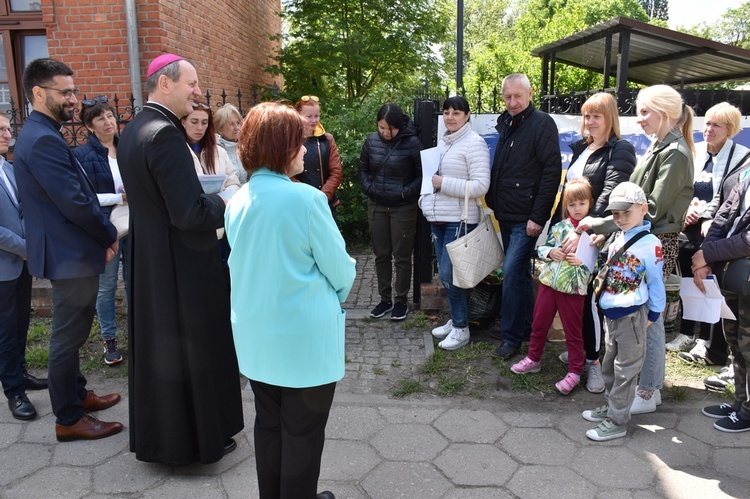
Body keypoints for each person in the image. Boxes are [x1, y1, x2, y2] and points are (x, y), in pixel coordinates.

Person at [225, 102, 356, 499]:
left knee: (269, 425)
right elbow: (342, 271)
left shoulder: (237, 201)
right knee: (302, 432)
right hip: (303, 341)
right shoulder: (308, 200)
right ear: (281, 148)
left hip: (255, 335)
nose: (304, 150)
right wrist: (328, 300)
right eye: (298, 143)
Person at [117, 54, 243, 465]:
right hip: (181, 265)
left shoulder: (135, 128)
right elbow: (189, 213)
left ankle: (166, 440)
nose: (197, 91)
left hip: (152, 259)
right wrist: (227, 198)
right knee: (192, 350)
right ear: (165, 84)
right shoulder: (166, 135)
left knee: (162, 352)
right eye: (191, 83)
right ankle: (196, 441)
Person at [13, 58, 122, 441]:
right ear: (39, 93)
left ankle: (78, 395)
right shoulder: (42, 137)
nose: (75, 100)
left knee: (71, 335)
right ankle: (69, 418)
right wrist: (108, 234)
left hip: (68, 251)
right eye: (66, 92)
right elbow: (74, 201)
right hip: (69, 254)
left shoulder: (43, 131)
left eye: (74, 91)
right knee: (66, 339)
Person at [577, 84, 694, 415]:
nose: (639, 118)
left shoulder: (675, 153)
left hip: (656, 241)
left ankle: (648, 390)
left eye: (645, 111)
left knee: (649, 320)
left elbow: (650, 208)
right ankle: (647, 387)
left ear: (665, 113)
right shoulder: (660, 146)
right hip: (640, 238)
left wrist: (602, 225)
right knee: (643, 318)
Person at [558, 92, 636, 393]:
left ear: (610, 118)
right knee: (571, 298)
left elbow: (612, 193)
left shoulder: (620, 149)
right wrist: (561, 229)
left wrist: (583, 229)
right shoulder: (584, 149)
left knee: (589, 301)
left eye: (596, 116)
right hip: (572, 233)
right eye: (587, 116)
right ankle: (580, 352)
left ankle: (593, 363)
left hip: (593, 237)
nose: (590, 122)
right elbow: (570, 195)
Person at [485, 73, 562, 360]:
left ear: (530, 94)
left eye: (518, 96)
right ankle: (528, 327)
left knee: (512, 272)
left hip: (526, 217)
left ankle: (511, 337)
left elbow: (551, 172)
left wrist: (538, 217)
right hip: (506, 212)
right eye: (508, 97)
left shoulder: (541, 123)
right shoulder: (507, 123)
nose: (513, 102)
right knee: (517, 276)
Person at [582, 182, 665, 441]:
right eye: (615, 214)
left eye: (625, 213)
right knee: (609, 364)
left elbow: (656, 283)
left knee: (626, 370)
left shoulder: (650, 244)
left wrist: (653, 314)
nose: (619, 218)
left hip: (632, 316)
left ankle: (618, 420)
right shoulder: (620, 235)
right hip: (613, 315)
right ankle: (612, 406)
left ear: (644, 209)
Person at [669, 102, 750, 369]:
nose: (708, 129)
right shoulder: (696, 151)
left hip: (713, 230)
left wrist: (706, 216)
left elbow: (729, 197)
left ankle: (707, 339)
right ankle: (687, 332)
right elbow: (683, 187)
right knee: (689, 278)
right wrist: (686, 210)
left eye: (716, 125)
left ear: (731, 129)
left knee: (710, 282)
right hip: (688, 225)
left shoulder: (741, 156)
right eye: (707, 123)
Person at [510, 178, 596, 395]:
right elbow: (541, 250)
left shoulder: (593, 231)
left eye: (582, 204)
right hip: (548, 284)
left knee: (573, 331)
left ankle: (575, 371)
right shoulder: (558, 227)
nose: (577, 209)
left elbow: (602, 262)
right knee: (539, 323)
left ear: (590, 203)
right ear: (566, 205)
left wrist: (584, 262)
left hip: (573, 289)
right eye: (572, 204)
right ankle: (533, 358)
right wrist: (550, 253)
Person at [421, 96, 490, 351]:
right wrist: (424, 201)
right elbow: (431, 179)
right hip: (439, 218)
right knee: (447, 275)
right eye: (446, 112)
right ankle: (456, 320)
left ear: (467, 116)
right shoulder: (444, 143)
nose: (450, 117)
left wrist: (443, 183)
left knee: (453, 275)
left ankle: (462, 328)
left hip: (460, 220)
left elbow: (481, 185)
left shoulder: (474, 144)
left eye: (456, 113)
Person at [693, 176, 750, 432]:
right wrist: (704, 256)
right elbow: (723, 218)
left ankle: (748, 412)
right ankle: (739, 403)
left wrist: (709, 253)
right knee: (735, 342)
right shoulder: (746, 175)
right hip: (733, 275)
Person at [73, 96, 127, 366]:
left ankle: (140, 335)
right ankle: (110, 340)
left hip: (136, 222)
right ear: (89, 125)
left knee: (135, 281)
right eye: (100, 119)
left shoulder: (128, 148)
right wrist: (120, 198)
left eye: (110, 116)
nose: (108, 122)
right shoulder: (81, 155)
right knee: (106, 286)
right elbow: (85, 196)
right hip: (106, 227)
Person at [0, 114, 48, 421]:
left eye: (7, 128)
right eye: (1, 130)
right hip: (5, 265)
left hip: (20, 264)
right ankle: (14, 392)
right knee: (5, 331)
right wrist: (27, 248)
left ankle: (20, 374)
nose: (8, 134)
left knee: (20, 325)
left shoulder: (8, 167)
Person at [359, 103, 423, 321]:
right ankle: (384, 299)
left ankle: (401, 301)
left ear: (398, 125)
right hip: (377, 205)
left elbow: (421, 175)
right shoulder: (371, 141)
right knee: (381, 255)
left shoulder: (412, 143)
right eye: (381, 128)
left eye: (390, 129)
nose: (385, 133)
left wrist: (405, 193)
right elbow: (363, 169)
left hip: (403, 208)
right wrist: (369, 188)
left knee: (402, 256)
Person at [293, 95, 343, 215]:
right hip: (301, 202)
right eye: (309, 116)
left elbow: (336, 171)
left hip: (326, 203)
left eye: (316, 116)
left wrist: (322, 197)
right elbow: (286, 173)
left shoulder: (327, 139)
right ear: (298, 116)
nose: (314, 120)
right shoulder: (291, 140)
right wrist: (307, 196)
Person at [182, 102, 241, 196]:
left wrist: (222, 198)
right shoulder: (177, 150)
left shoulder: (220, 152)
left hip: (219, 206)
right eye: (194, 122)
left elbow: (233, 183)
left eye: (204, 122)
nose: (199, 127)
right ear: (183, 122)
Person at [213, 103, 247, 184]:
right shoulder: (215, 151)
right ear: (220, 129)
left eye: (238, 123)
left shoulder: (245, 149)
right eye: (232, 124)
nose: (237, 128)